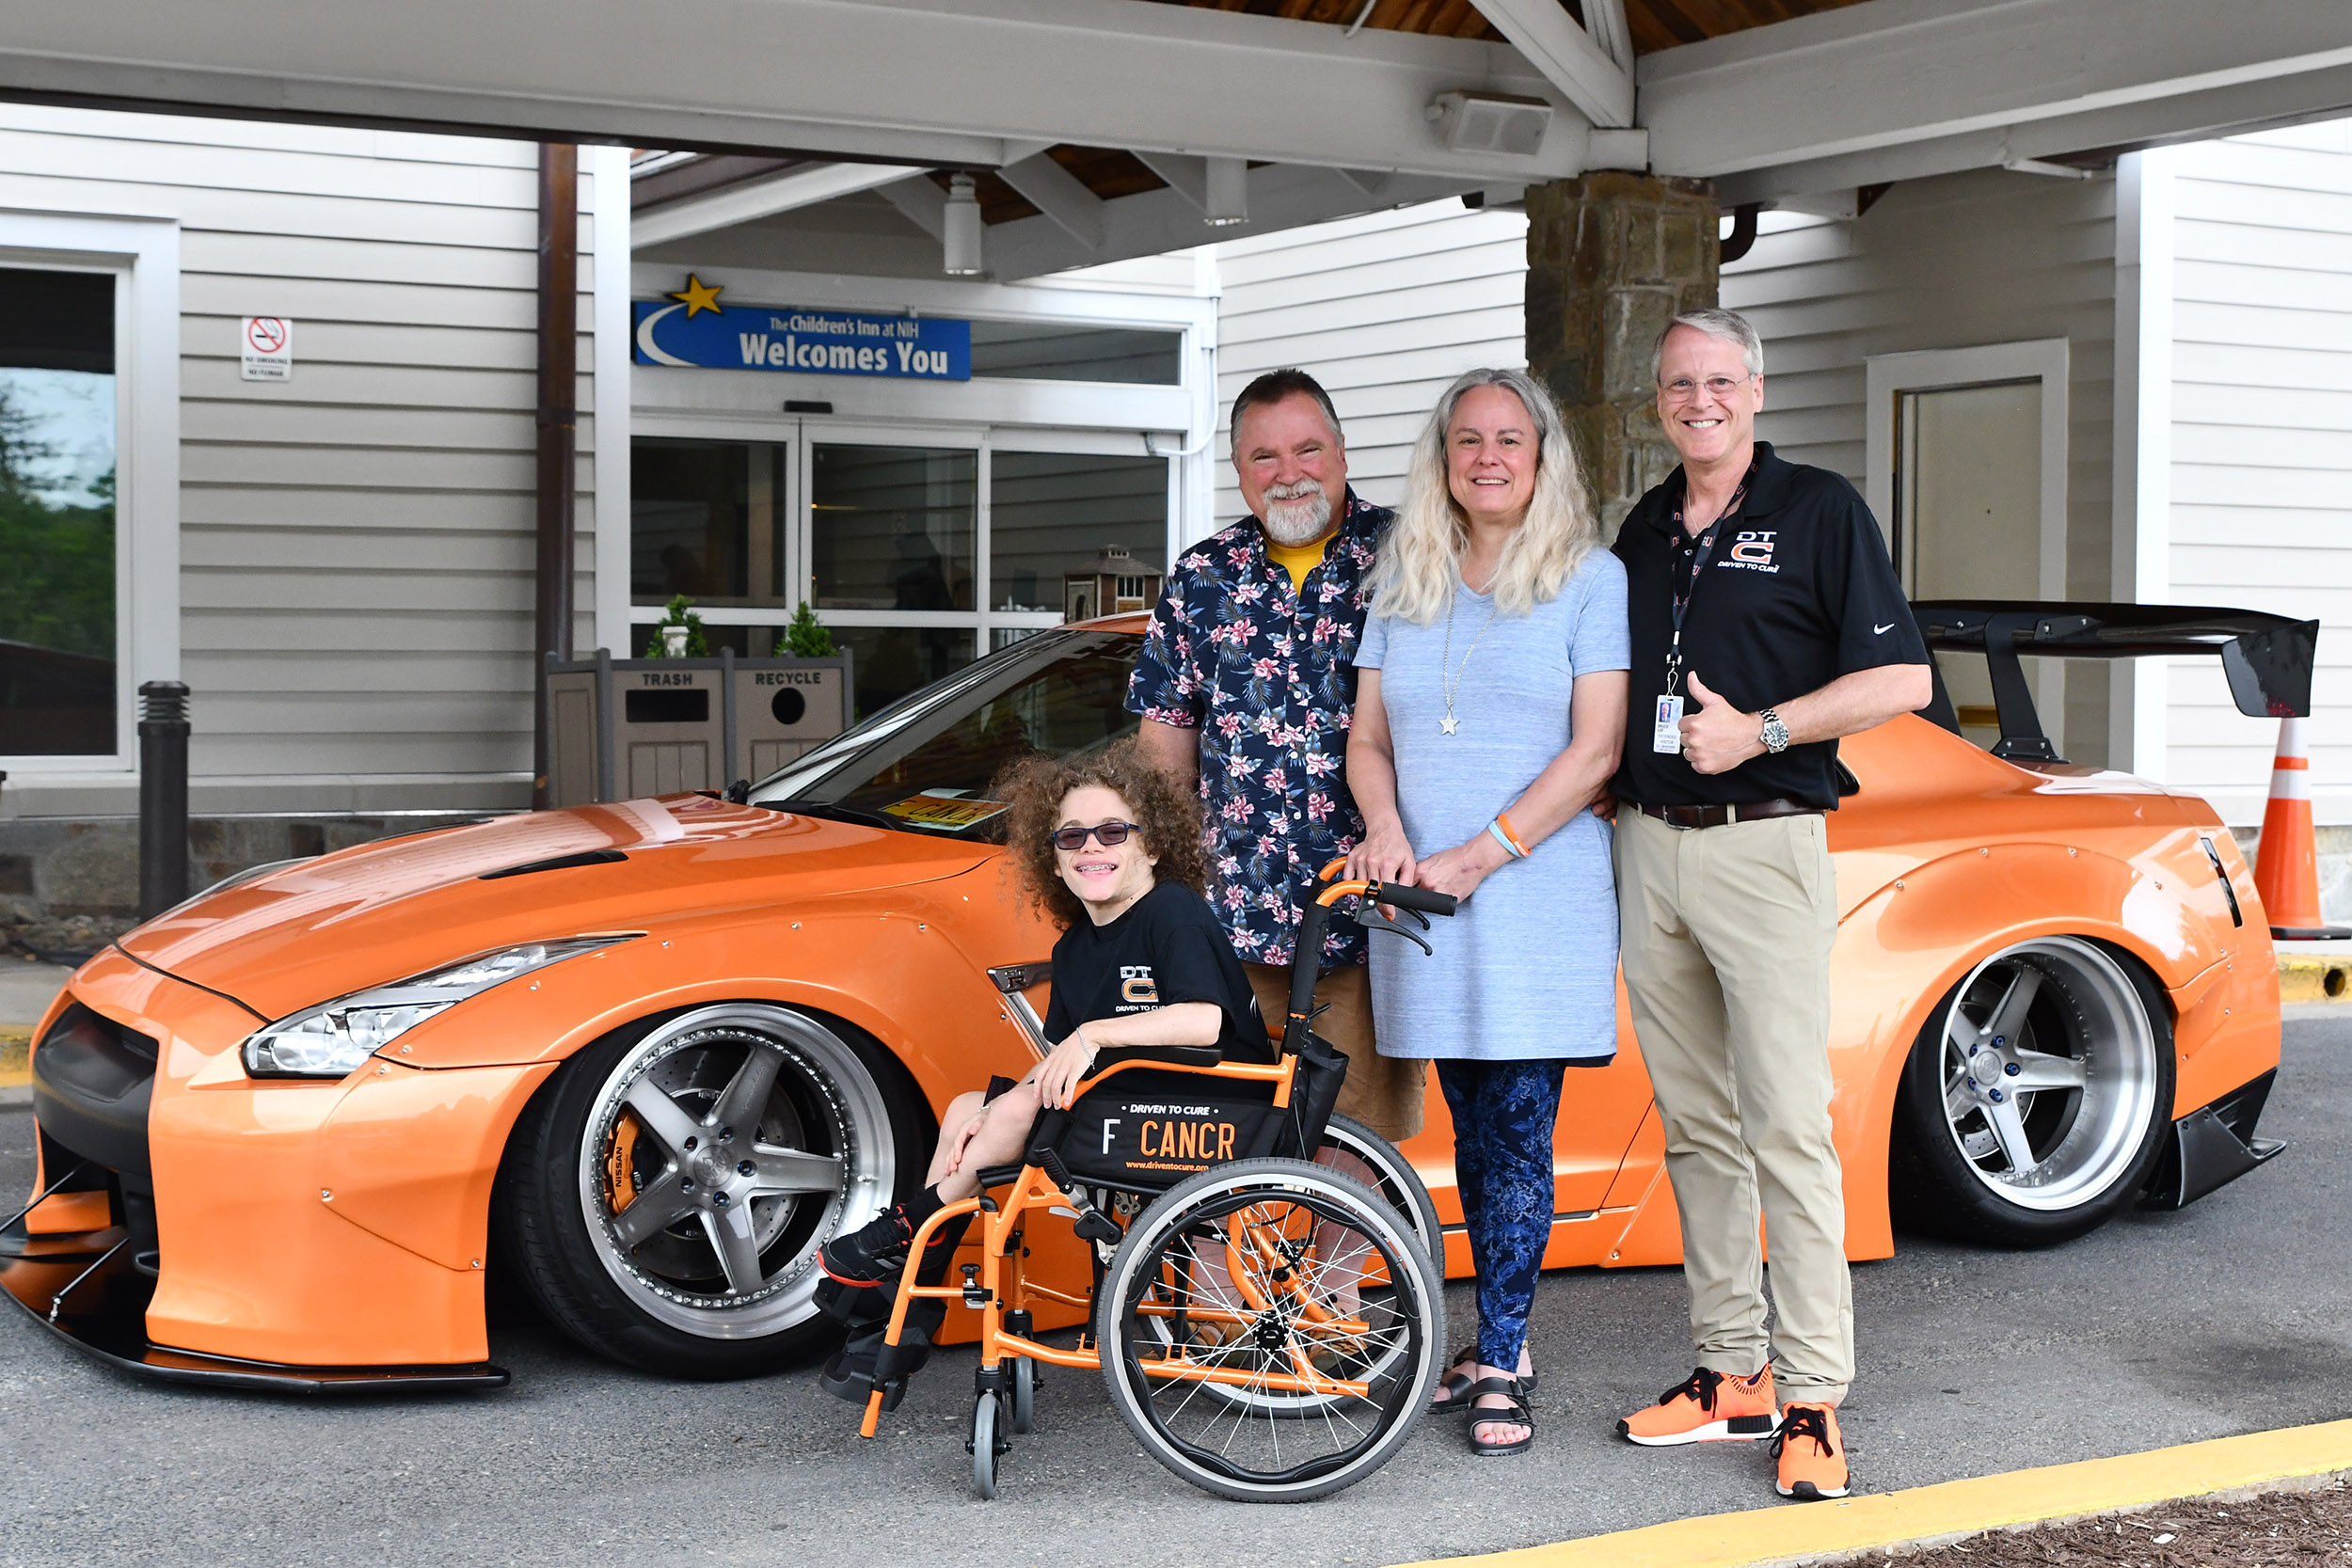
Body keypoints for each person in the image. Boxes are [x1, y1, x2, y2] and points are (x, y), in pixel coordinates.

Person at [1609, 309, 1932, 1501]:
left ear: (1755, 387)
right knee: (1694, 1124)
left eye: (1719, 380)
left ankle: (1811, 1395)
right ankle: (1727, 1368)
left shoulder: (1819, 510)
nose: (1699, 398)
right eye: (1678, 383)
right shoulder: (1644, 525)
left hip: (1767, 843)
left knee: (1787, 1126)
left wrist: (1764, 729)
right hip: (1650, 849)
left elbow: (1903, 676)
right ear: (1660, 400)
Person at [1345, 367, 1629, 1457]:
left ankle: (1503, 1353)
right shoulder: (1402, 579)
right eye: (1469, 438)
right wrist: (1383, 827)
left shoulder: (1587, 579)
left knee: (1517, 1122)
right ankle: (1490, 1332)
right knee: (1467, 1122)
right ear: (1443, 459)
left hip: (1531, 895)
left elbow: (1594, 749)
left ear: (1543, 455)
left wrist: (1478, 854)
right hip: (1418, 896)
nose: (1490, 455)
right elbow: (1369, 738)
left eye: (1511, 437)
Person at [815, 739, 1272, 1400]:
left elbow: (1204, 1020)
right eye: (1073, 836)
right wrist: (999, 1105)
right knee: (966, 1107)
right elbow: (1055, 1069)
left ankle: (906, 1236)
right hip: (1128, 1106)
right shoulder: (1078, 945)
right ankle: (911, 1291)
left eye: (1113, 831)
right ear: (1053, 859)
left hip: (1208, 1106)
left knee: (1019, 1108)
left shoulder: (1171, 911)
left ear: (1151, 844)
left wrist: (1093, 1034)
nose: (1093, 847)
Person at [1127, 370, 1425, 1144]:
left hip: (1369, 916)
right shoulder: (1199, 580)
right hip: (1232, 925)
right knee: (1220, 1137)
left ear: (1343, 452)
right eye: (1265, 457)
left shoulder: (1413, 559)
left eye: (1307, 448)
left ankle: (1340, 1276)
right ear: (1239, 472)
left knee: (1357, 1141)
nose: (1289, 472)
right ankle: (1242, 1274)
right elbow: (1162, 764)